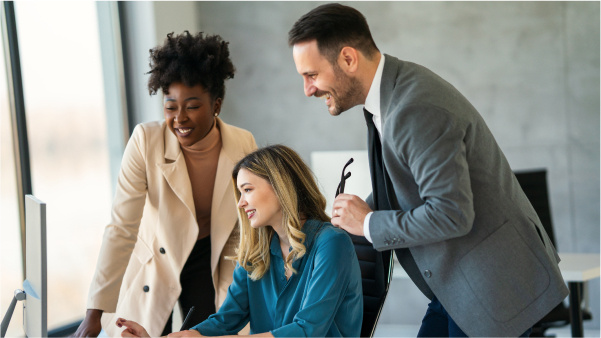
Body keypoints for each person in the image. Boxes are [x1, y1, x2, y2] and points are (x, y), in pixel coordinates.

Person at [288, 3, 569, 337]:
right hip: (456, 283)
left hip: (492, 288)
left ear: (348, 59)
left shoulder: (415, 107)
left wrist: (366, 222)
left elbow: (452, 214)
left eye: (312, 75)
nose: (308, 89)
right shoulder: (391, 95)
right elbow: (407, 184)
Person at [72, 31, 257, 337]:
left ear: (217, 105)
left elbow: (247, 226)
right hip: (156, 261)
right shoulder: (146, 141)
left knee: (209, 333)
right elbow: (121, 228)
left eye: (193, 106)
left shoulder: (242, 143)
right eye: (171, 107)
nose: (179, 119)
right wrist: (93, 313)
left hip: (210, 258)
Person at [115, 145, 363, 337]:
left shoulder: (331, 243)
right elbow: (225, 321)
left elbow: (307, 331)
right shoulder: (257, 254)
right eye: (239, 192)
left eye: (247, 189)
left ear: (280, 187)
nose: (240, 202)